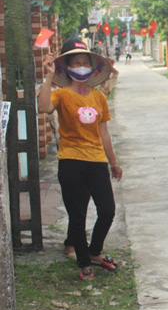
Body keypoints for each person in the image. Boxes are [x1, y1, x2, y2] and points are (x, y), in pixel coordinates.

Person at [38, 39, 123, 281]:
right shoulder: (62, 95)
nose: (81, 66)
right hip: (70, 161)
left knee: (107, 210)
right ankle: (83, 261)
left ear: (93, 68)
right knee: (77, 215)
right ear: (67, 68)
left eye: (85, 62)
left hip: (97, 161)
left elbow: (104, 133)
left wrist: (114, 163)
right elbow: (43, 107)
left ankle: (95, 251)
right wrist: (48, 76)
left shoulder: (98, 97)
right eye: (76, 63)